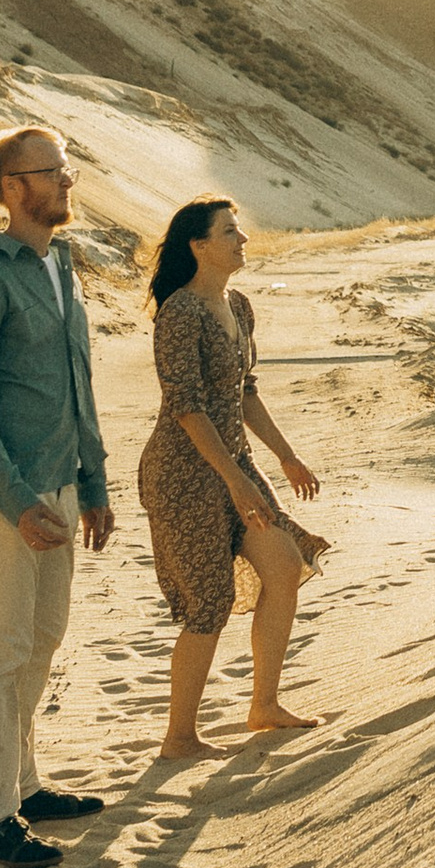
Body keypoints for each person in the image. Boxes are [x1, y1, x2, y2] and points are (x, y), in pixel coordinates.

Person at [0, 124, 114, 868]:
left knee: (40, 644)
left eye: (68, 169)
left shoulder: (60, 266)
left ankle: (24, 786)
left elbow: (79, 384)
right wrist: (14, 499)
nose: (68, 181)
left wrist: (92, 482)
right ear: (13, 188)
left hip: (61, 486)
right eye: (53, 171)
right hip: (5, 498)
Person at [137, 198, 330, 758]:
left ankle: (264, 705)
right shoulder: (179, 313)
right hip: (183, 474)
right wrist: (235, 481)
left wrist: (286, 457)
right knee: (208, 603)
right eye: (229, 232)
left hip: (233, 464)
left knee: (284, 565)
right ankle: (179, 738)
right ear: (199, 246)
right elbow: (186, 407)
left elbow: (245, 392)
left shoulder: (238, 306)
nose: (242, 239)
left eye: (239, 230)